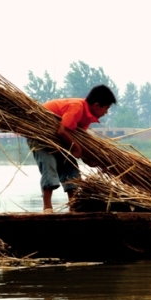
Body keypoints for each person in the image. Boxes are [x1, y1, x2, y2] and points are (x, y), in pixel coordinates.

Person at [27, 85, 117, 213]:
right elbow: (62, 131)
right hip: (40, 136)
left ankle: (73, 207)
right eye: (106, 108)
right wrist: (75, 147)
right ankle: (47, 208)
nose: (106, 112)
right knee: (49, 166)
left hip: (59, 141)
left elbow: (76, 138)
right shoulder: (77, 107)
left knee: (71, 168)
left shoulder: (87, 117)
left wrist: (87, 159)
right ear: (96, 105)